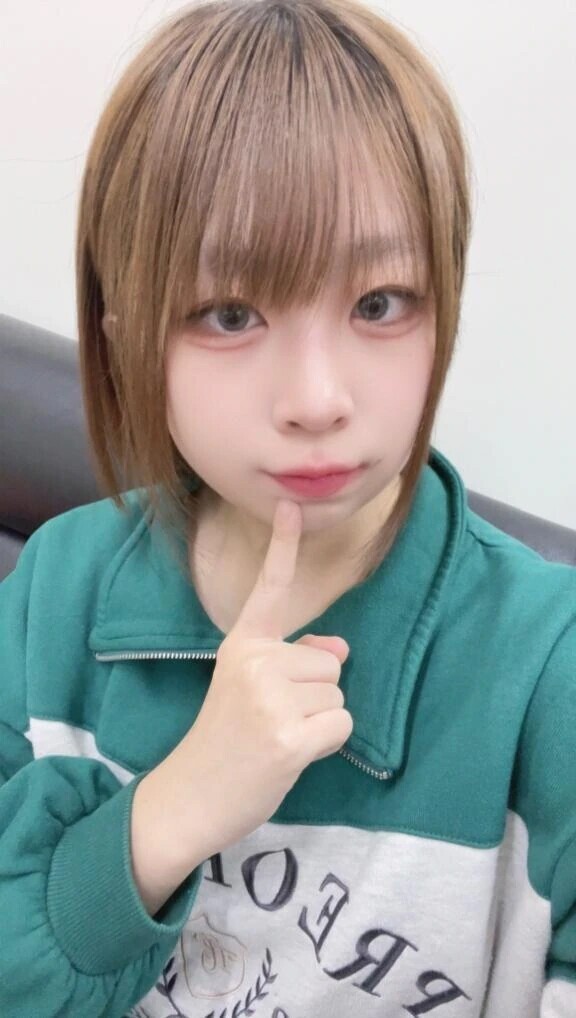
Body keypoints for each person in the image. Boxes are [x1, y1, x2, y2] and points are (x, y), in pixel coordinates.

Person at [1, 0, 575, 1015]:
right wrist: (175, 807)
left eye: (379, 303)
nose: (317, 399)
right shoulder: (52, 589)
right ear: (128, 338)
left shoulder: (547, 670)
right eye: (231, 314)